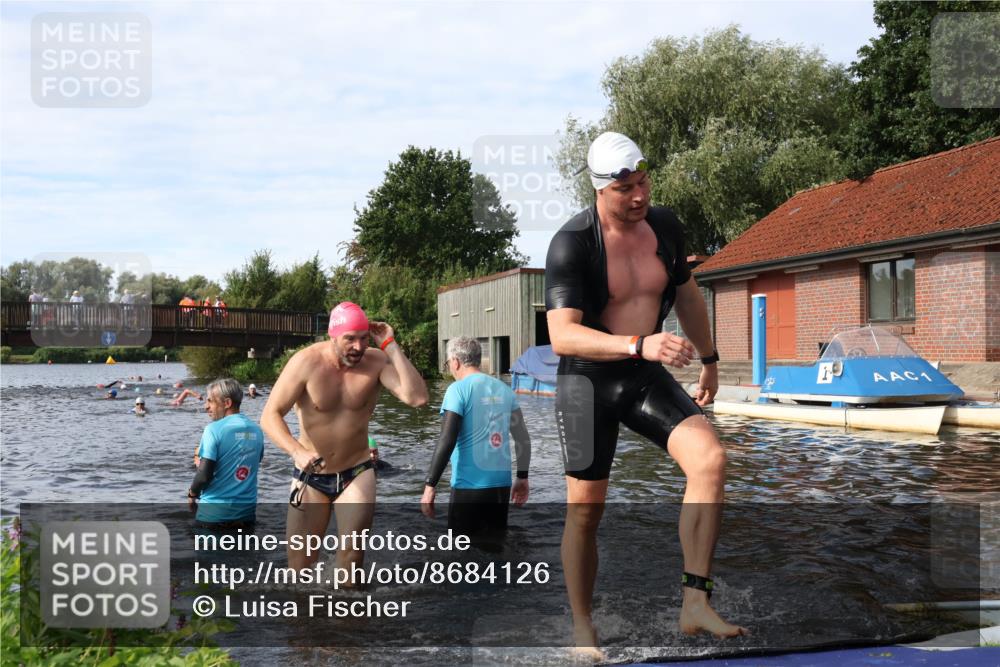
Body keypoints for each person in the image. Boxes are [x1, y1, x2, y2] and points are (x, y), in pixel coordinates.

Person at [544, 131, 747, 652]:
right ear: (598, 190)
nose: (639, 196)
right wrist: (640, 343)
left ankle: (695, 601)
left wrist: (710, 359)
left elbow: (687, 295)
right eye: (625, 189)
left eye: (644, 183)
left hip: (642, 373)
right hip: (585, 383)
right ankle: (583, 624)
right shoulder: (573, 242)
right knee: (586, 510)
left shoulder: (664, 226)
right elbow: (562, 335)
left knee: (710, 461)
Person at [261, 302, 428, 572]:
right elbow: (270, 416)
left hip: (357, 472)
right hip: (310, 476)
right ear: (332, 336)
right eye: (350, 339)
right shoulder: (305, 362)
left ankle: (349, 614)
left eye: (363, 339)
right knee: (299, 567)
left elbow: (417, 398)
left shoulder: (376, 361)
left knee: (351, 563)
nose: (359, 347)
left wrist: (391, 346)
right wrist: (296, 451)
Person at [420, 337, 530, 541]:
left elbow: (447, 439)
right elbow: (523, 438)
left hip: (468, 488)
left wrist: (430, 485)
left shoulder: (457, 390)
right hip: (501, 487)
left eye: (448, 364)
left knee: (461, 555)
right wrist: (522, 477)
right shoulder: (505, 390)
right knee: (495, 550)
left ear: (455, 361)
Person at [188, 378, 265, 529]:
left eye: (210, 401)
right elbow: (253, 462)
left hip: (213, 517)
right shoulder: (256, 430)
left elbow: (203, 475)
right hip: (246, 516)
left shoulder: (213, 430)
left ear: (227, 403)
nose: (206, 407)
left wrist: (192, 494)